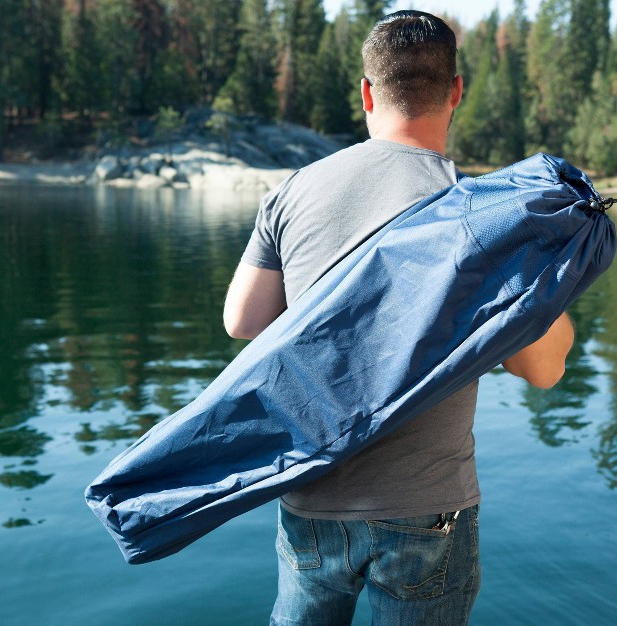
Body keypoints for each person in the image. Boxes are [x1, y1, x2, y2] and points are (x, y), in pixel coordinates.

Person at [223, 10, 574, 626]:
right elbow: (541, 370)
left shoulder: (295, 190)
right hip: (427, 509)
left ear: (366, 92)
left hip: (313, 496)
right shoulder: (490, 215)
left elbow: (243, 320)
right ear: (456, 91)